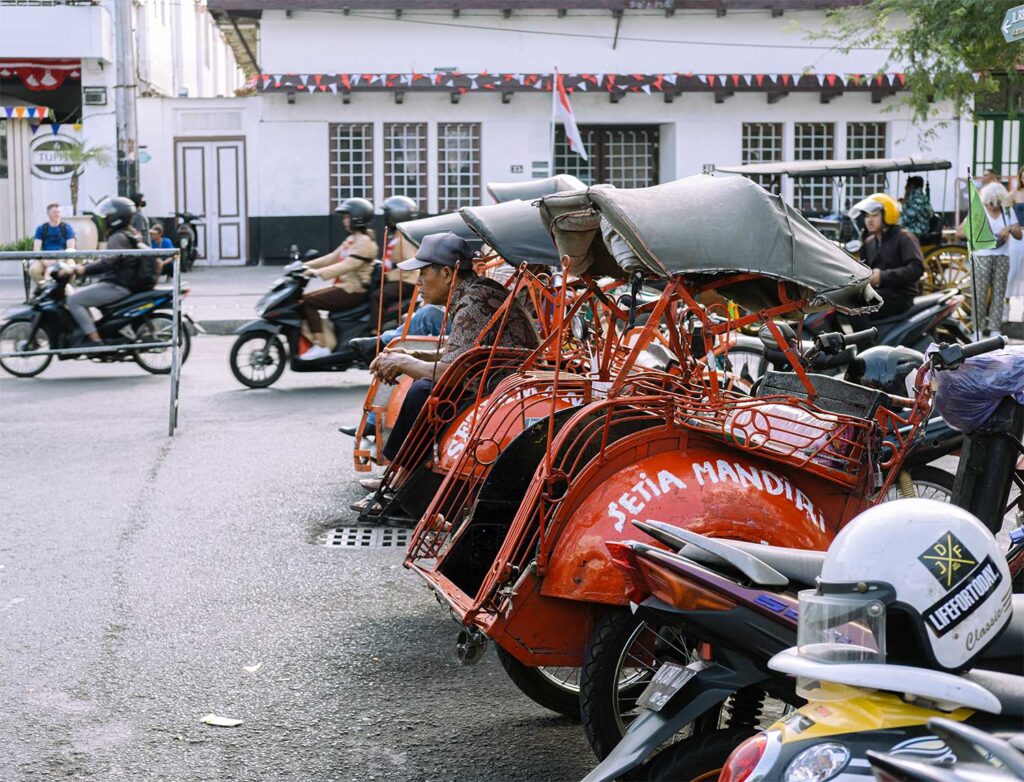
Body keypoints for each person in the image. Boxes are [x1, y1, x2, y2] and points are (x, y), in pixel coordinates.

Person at [370, 232, 539, 465]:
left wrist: (402, 363)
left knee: (423, 390)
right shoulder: (474, 292)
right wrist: (411, 354)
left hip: (501, 389)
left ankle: (398, 472)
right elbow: (462, 352)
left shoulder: (473, 302)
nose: (418, 281)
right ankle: (402, 473)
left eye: (423, 272)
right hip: (493, 379)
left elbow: (451, 372)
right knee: (421, 385)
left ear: (448, 274)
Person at [60, 197, 154, 345]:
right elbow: (112, 260)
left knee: (74, 300)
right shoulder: (130, 233)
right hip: (123, 282)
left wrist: (82, 269)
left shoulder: (117, 237)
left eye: (108, 216)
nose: (105, 220)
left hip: (117, 285)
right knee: (83, 296)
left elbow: (107, 263)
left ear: (116, 217)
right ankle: (97, 330)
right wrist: (89, 265)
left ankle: (95, 341)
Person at [299, 198, 378, 361]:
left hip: (353, 290)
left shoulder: (364, 242)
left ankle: (321, 346)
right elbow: (332, 257)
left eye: (346, 217)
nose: (344, 221)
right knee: (307, 300)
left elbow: (347, 265)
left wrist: (317, 273)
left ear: (357, 218)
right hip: (345, 286)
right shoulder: (352, 239)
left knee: (308, 302)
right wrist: (302, 266)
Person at [957, 181, 1021, 337]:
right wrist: (977, 233)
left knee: (999, 293)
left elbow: (1019, 235)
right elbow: (959, 232)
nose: (993, 206)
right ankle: (977, 329)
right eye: (990, 203)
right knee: (979, 293)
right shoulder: (979, 211)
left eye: (997, 203)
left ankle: (995, 329)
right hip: (981, 257)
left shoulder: (1007, 211)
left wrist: (1010, 228)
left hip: (1002, 256)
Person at [848, 192, 925, 321]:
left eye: (874, 215)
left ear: (887, 215)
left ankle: (868, 341)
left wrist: (882, 276)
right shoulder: (869, 242)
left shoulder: (904, 237)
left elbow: (916, 268)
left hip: (900, 296)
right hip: (879, 293)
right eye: (867, 216)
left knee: (857, 308)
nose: (869, 220)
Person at [372, 195, 419, 333]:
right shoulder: (398, 235)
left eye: (387, 214)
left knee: (378, 295)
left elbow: (411, 264)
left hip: (408, 281)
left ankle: (375, 331)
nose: (384, 218)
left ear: (396, 216)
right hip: (401, 278)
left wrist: (387, 276)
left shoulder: (404, 238)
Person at [29, 203, 77, 286]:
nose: (57, 214)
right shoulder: (41, 229)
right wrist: (47, 263)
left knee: (71, 268)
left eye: (59, 212)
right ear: (48, 214)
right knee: (33, 270)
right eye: (55, 212)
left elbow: (70, 249)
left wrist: (58, 262)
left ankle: (66, 291)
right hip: (45, 258)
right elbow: (36, 250)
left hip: (64, 258)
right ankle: (46, 289)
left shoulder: (67, 228)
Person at [899, 176, 934, 241]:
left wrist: (903, 205)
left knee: (894, 232)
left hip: (918, 230)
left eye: (906, 186)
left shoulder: (917, 198)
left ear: (911, 186)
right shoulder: (919, 197)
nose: (905, 188)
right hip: (919, 227)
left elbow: (909, 218)